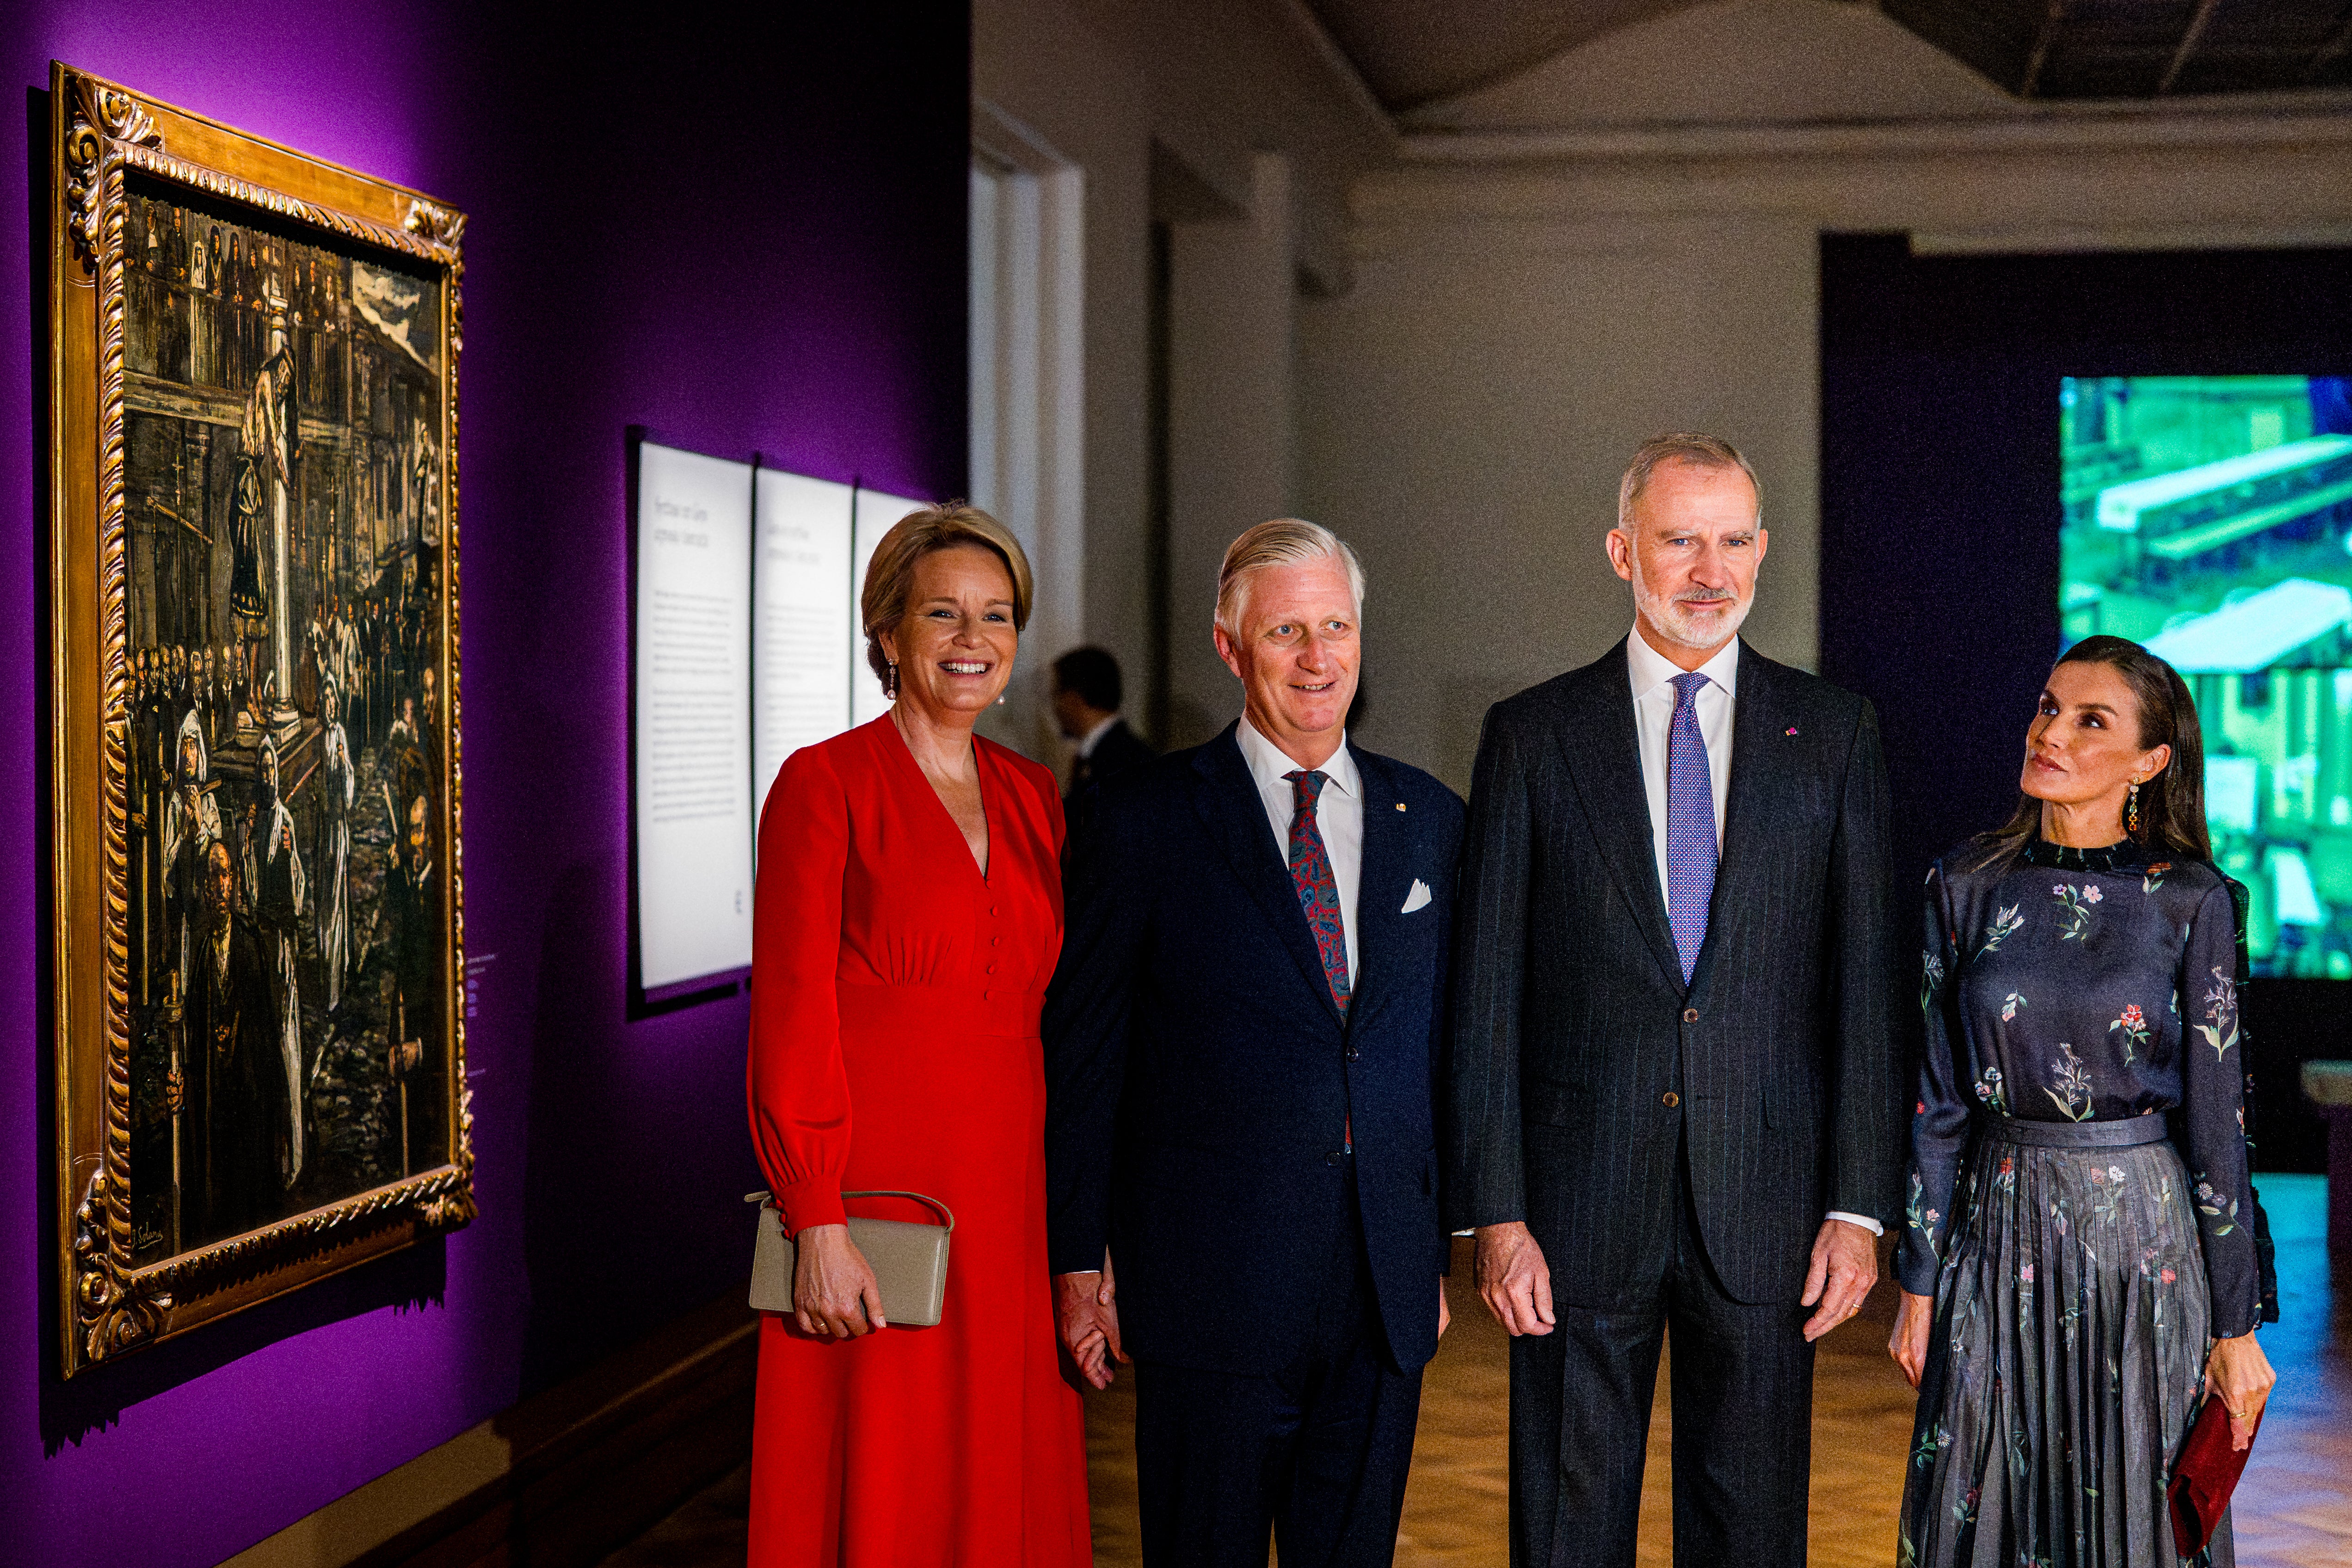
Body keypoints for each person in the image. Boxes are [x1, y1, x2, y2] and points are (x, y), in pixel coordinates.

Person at [1446, 434, 1903, 1568]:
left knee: (1750, 1534)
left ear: (1762, 548)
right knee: (1565, 1529)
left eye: (1735, 538)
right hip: (1570, 1209)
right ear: (1620, 551)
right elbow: (1484, 993)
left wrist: (1857, 1204)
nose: (1711, 568)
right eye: (1679, 539)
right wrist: (1493, 1212)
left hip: (1767, 1206)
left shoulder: (1834, 733)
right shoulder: (1532, 735)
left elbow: (1865, 986)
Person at [1045, 518, 1463, 1568]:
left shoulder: (1433, 820)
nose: (1318, 657)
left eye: (1335, 626)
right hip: (1206, 1294)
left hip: (1381, 1290)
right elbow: (1085, 1052)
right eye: (1286, 632)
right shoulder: (1140, 820)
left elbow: (1454, 1049)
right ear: (1229, 647)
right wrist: (1075, 1255)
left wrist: (1458, 1230)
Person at [744, 502, 1089, 1568]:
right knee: (884, 1480)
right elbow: (790, 1015)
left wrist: (1084, 1232)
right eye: (941, 612)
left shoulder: (1035, 795)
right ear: (888, 632)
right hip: (879, 1203)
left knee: (1002, 1476)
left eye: (994, 615)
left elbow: (1061, 1019)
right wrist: (816, 1221)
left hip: (1012, 1204)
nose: (971, 639)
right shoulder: (822, 783)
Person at [1890, 635, 2277, 1567]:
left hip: (2142, 1249)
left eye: (2087, 719)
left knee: (2136, 1519)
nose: (2049, 732)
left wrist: (2236, 1325)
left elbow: (2218, 1124)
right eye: (2045, 707)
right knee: (1973, 1504)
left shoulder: (2191, 901)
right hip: (1994, 1230)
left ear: (2150, 763)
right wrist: (1914, 1281)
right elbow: (1937, 1100)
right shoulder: (1963, 883)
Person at [173, 838, 289, 1243]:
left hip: (251, 1091)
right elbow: (195, 1032)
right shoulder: (202, 953)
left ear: (234, 882)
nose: (219, 885)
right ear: (205, 888)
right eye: (211, 877)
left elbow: (269, 1028)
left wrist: (280, 1114)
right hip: (218, 1097)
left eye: (224, 874)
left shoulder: (252, 941)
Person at [1050, 645, 1154, 808]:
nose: (1055, 707)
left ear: (1074, 699)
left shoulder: (1120, 762)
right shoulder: (1124, 753)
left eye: (1056, 694)